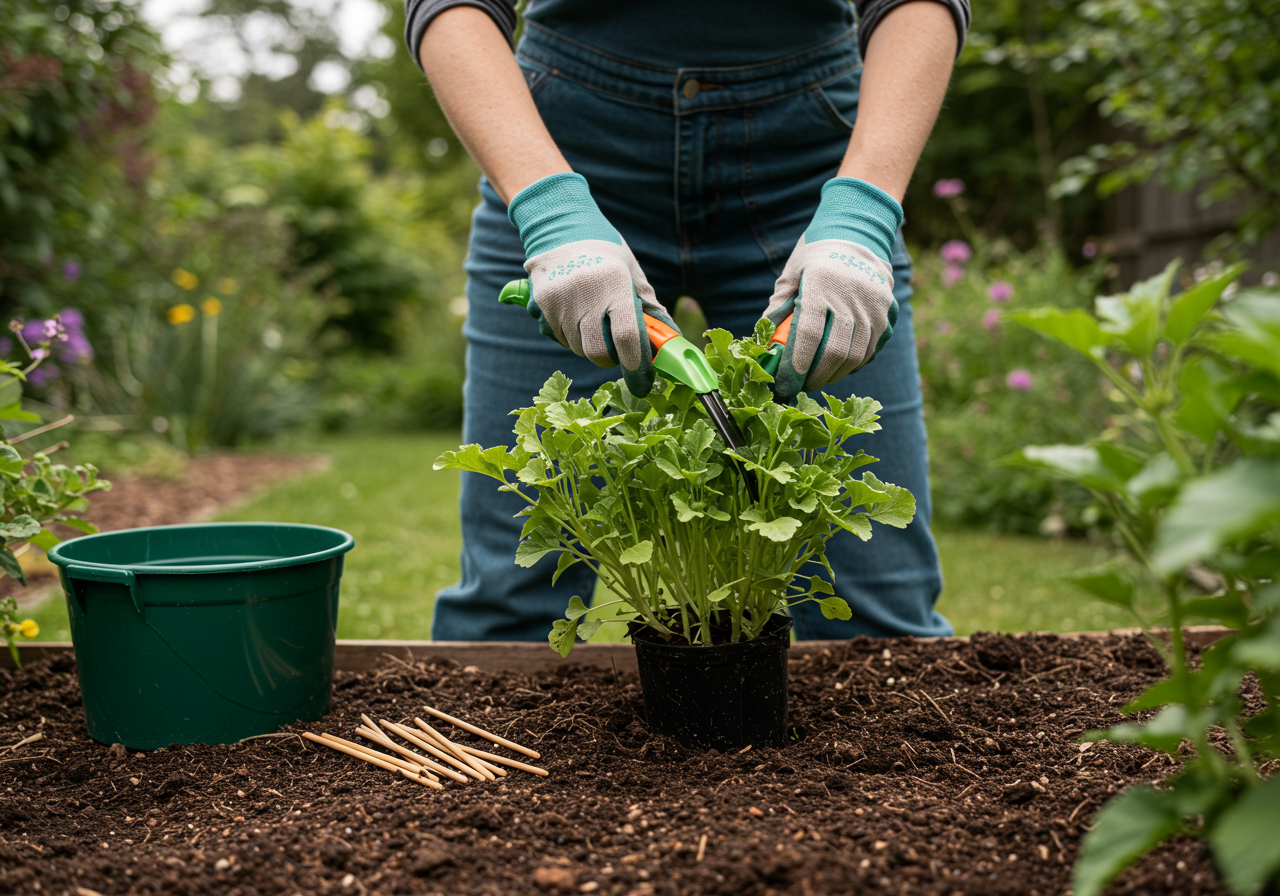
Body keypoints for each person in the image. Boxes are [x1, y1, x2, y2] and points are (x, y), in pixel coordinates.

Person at [405, 0, 968, 642]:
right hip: (556, 155)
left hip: (815, 172)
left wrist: (864, 212)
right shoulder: (552, 195)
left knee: (882, 614)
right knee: (507, 601)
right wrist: (550, 211)